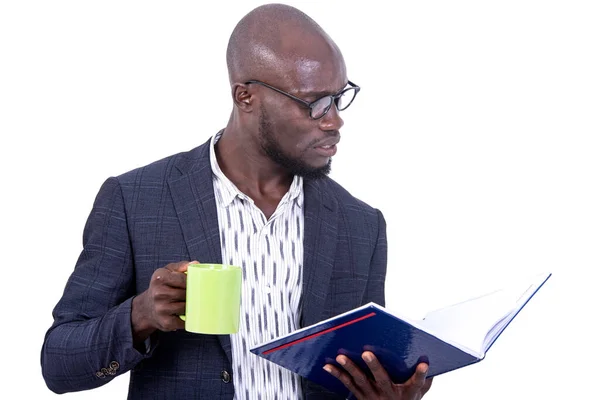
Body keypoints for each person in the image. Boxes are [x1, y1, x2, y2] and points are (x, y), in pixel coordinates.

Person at [41, 3, 433, 399]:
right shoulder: (135, 201)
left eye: (339, 97)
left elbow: (357, 369)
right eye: (314, 102)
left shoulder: (361, 225)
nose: (333, 120)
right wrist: (139, 316)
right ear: (246, 97)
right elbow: (58, 365)